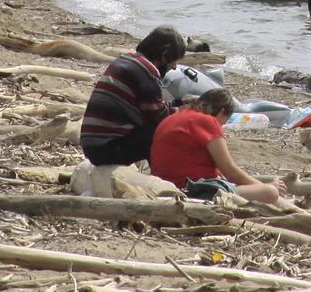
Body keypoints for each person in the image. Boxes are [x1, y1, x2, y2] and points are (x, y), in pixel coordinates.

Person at [79, 26, 190, 195]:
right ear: (165, 54)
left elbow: (150, 106)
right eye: (174, 60)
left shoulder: (128, 61)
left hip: (94, 145)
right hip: (106, 149)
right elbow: (159, 118)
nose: (174, 67)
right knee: (165, 131)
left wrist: (178, 104)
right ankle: (166, 182)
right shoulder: (147, 72)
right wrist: (186, 111)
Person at [152, 84, 288, 206]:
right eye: (224, 122)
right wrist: (265, 186)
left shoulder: (176, 116)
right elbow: (229, 171)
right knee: (270, 192)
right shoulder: (207, 121)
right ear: (222, 111)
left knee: (260, 186)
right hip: (191, 189)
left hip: (165, 182)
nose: (221, 126)